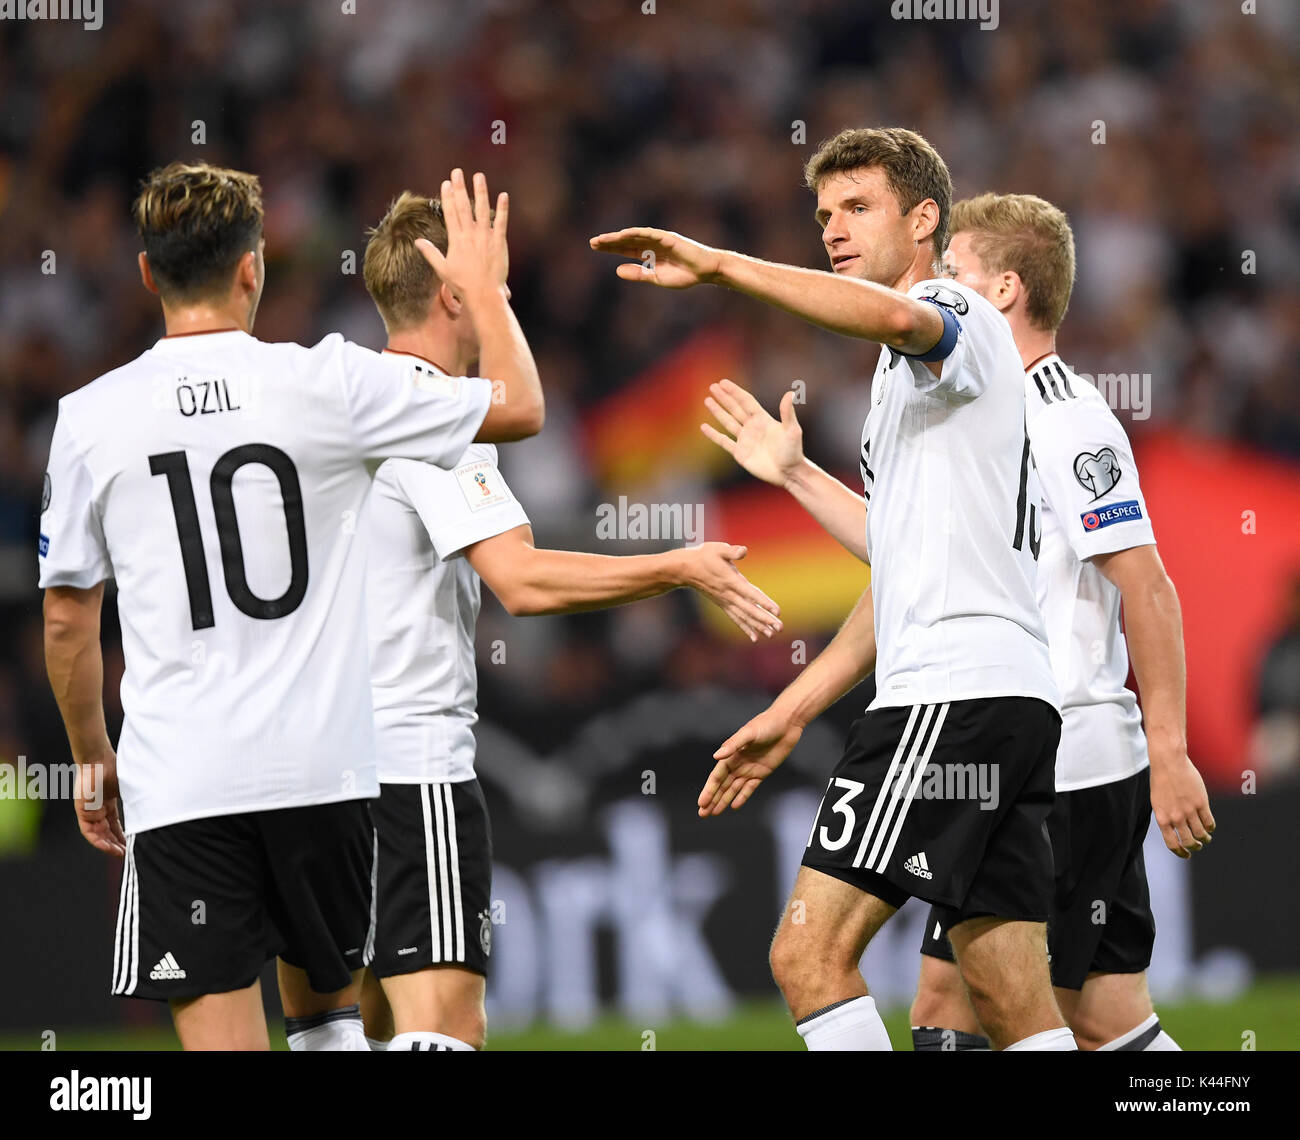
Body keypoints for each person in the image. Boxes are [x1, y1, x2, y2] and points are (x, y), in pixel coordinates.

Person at [39, 162, 542, 1050]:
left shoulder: (90, 418)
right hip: (327, 775)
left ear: (149, 273)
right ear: (253, 268)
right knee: (338, 1025)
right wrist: (484, 295)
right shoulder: (328, 382)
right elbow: (519, 408)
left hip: (182, 780)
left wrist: (90, 755)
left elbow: (68, 617)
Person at [593, 127, 1071, 1050]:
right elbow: (895, 563)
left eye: (858, 208)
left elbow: (896, 317)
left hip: (948, 694)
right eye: (823, 215)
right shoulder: (914, 383)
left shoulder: (950, 311)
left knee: (806, 956)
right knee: (1012, 1002)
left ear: (923, 219)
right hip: (1004, 696)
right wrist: (798, 480)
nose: (834, 229)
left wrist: (722, 265)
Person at [352, 190, 782, 1052]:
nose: (507, 293)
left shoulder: (336, 402)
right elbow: (522, 579)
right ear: (453, 292)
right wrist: (675, 565)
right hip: (409, 765)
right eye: (492, 279)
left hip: (316, 769)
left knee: (360, 1018)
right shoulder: (432, 414)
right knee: (445, 1025)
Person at [908, 192, 1214, 1050]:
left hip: (1065, 760)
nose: (938, 291)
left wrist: (1171, 751)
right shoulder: (989, 413)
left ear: (1003, 290)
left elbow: (1147, 587)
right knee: (1106, 1022)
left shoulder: (1067, 417)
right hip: (1041, 757)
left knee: (949, 1003)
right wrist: (793, 475)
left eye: (954, 273)